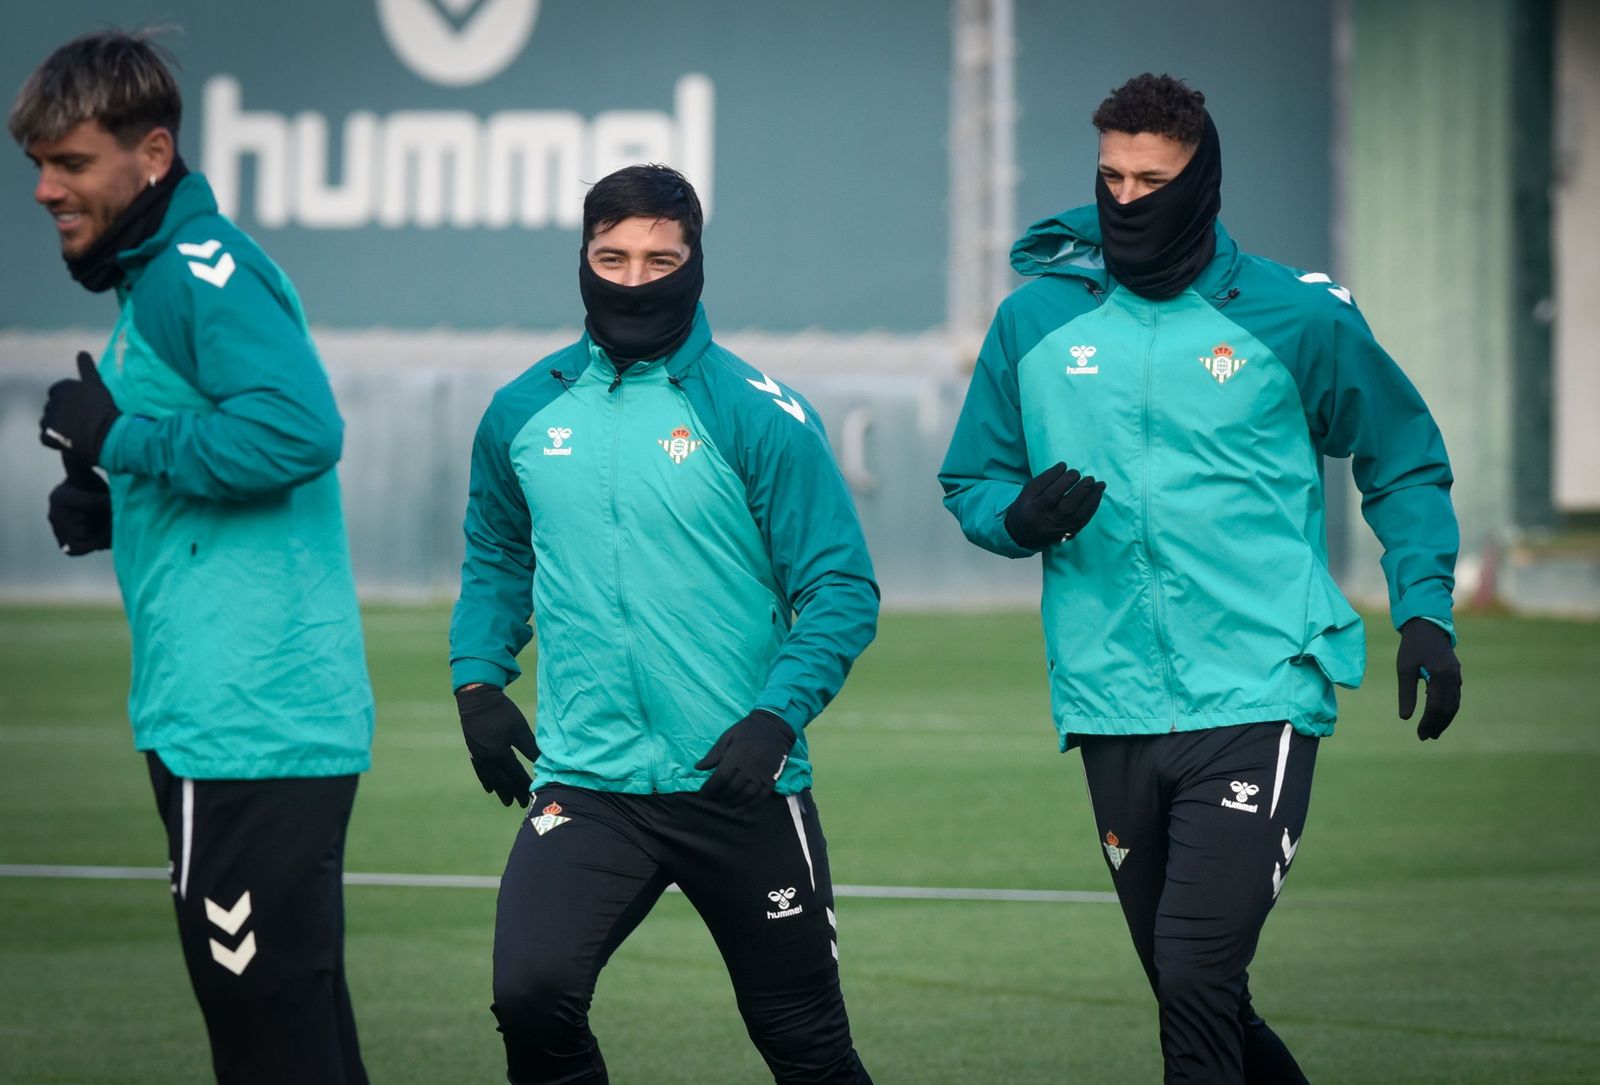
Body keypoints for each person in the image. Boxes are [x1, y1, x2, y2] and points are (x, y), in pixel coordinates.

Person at [939, 73, 1463, 1084]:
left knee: (1191, 976)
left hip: (1258, 683)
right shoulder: (1034, 322)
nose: (1128, 199)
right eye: (1110, 178)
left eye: (1152, 179)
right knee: (1201, 992)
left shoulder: (1293, 316)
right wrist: (1012, 517)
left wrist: (1424, 612)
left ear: (1201, 179)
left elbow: (1400, 454)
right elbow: (972, 478)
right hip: (1108, 697)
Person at [449, 163, 878, 1084]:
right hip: (590, 780)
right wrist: (478, 677)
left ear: (695, 265)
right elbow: (496, 554)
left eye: (659, 259)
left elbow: (842, 588)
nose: (634, 279)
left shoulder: (759, 414)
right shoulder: (523, 411)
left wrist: (775, 717)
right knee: (531, 996)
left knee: (805, 1046)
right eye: (612, 257)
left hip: (740, 785)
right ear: (582, 260)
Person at [13, 30, 373, 1084]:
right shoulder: (156, 280)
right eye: (38, 164)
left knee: (274, 1042)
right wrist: (116, 496)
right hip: (215, 712)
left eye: (71, 163)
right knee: (278, 1036)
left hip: (252, 718)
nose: (44, 189)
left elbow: (299, 432)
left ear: (153, 155)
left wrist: (118, 441)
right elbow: (220, 450)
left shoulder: (192, 272)